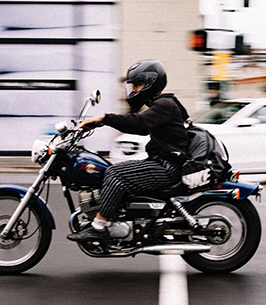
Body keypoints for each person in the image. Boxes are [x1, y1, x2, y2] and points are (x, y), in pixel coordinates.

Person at [66, 59, 190, 247]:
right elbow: (141, 127)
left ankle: (98, 228)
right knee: (113, 171)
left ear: (150, 83)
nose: (133, 90)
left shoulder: (165, 104)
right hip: (163, 162)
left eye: (137, 85)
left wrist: (104, 119)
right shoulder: (161, 105)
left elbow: (138, 123)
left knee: (115, 174)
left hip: (168, 167)